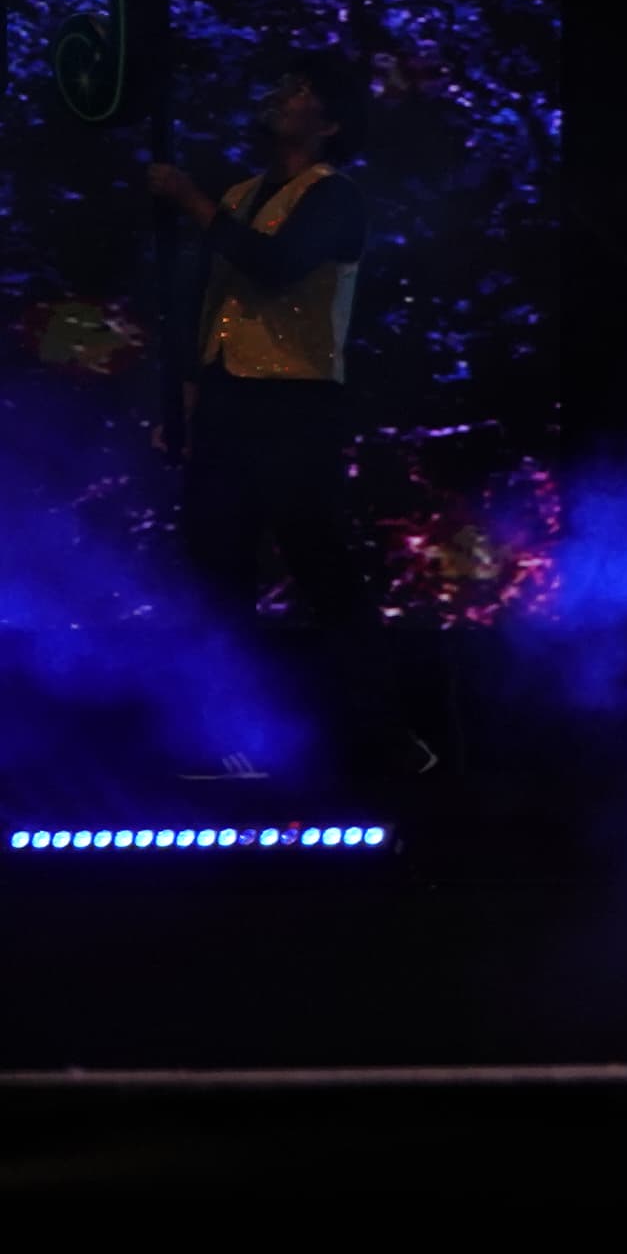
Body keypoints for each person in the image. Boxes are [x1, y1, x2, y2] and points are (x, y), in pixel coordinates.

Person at [144, 52, 398, 765]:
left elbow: (277, 266)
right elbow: (209, 304)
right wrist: (187, 398)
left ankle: (375, 735)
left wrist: (192, 201)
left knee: (318, 564)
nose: (284, 95)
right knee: (216, 567)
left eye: (303, 90)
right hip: (230, 399)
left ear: (331, 121)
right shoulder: (244, 192)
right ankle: (226, 739)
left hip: (294, 401)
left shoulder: (335, 197)